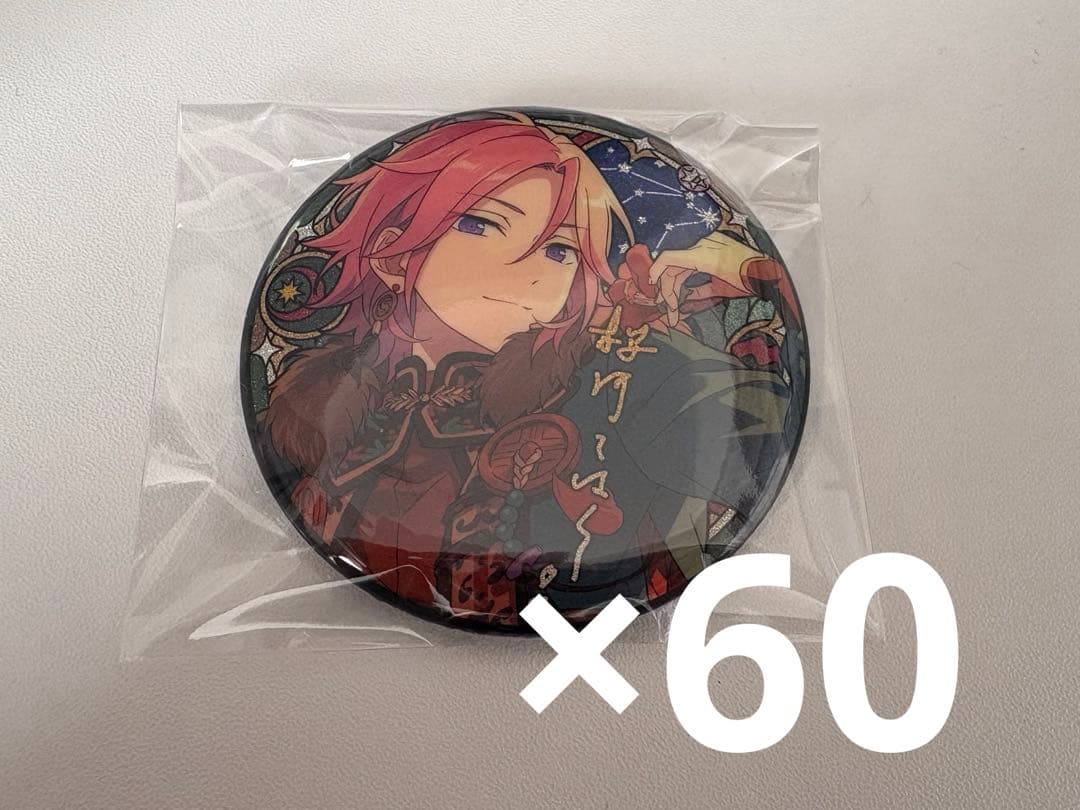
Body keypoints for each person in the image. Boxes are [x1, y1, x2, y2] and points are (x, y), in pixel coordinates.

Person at [262, 113, 800, 625]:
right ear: (392, 255)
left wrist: (734, 288)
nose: (529, 269)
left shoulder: (602, 385)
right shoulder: (320, 415)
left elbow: (747, 443)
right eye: (481, 225)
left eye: (561, 252)